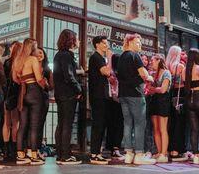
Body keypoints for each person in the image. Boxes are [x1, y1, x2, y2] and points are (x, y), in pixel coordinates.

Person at [117, 34, 155, 165]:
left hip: (123, 94)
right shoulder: (135, 56)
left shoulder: (121, 57)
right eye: (138, 43)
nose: (140, 45)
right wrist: (149, 77)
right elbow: (144, 73)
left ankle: (128, 154)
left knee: (127, 123)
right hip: (135, 94)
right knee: (139, 124)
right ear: (130, 42)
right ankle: (139, 154)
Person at [13, 38, 46, 165]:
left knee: (22, 125)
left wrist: (24, 81)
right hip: (34, 92)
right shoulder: (33, 59)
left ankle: (20, 155)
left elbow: (15, 79)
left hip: (22, 92)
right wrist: (45, 84)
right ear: (33, 47)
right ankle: (34, 155)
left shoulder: (18, 60)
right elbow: (38, 79)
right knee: (34, 125)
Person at [53, 29, 83, 165]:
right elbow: (69, 75)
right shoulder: (67, 56)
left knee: (61, 123)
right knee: (67, 124)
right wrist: (78, 88)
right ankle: (65, 155)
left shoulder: (58, 55)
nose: (78, 41)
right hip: (68, 94)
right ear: (71, 40)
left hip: (60, 94)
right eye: (76, 38)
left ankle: (60, 154)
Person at [88, 36, 112, 165]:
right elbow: (107, 72)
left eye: (107, 43)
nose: (106, 45)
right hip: (97, 96)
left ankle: (97, 152)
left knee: (101, 124)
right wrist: (109, 58)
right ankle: (94, 154)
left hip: (103, 95)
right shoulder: (96, 57)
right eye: (104, 43)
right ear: (97, 44)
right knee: (98, 124)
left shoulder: (100, 58)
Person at [148, 54, 172, 163]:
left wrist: (153, 89)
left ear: (159, 61)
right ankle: (159, 151)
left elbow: (163, 89)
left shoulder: (166, 73)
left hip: (163, 102)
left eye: (152, 60)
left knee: (163, 128)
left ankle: (164, 153)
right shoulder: (153, 74)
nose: (151, 62)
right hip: (154, 101)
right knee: (156, 129)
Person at [2, 41, 22, 163]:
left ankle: (5, 150)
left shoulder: (7, 62)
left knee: (6, 123)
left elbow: (4, 80)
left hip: (7, 95)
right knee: (16, 123)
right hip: (16, 94)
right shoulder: (21, 62)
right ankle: (13, 149)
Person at [165, 45, 187, 160]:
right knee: (180, 124)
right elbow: (184, 82)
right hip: (180, 96)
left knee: (171, 124)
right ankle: (177, 150)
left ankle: (169, 149)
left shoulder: (166, 66)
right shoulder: (180, 66)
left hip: (169, 97)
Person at [37, 48, 53, 157]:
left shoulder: (47, 69)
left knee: (40, 123)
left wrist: (46, 84)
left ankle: (39, 147)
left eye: (41, 53)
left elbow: (51, 86)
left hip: (43, 98)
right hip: (32, 98)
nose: (39, 54)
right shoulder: (30, 66)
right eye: (37, 52)